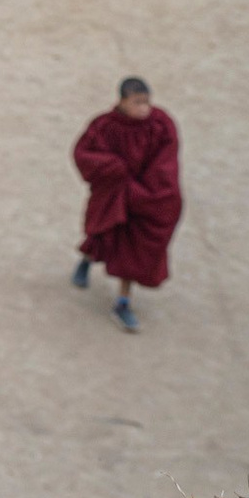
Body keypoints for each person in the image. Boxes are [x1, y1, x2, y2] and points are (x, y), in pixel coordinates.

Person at [71, 79, 183, 334]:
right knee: (101, 231)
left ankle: (123, 302)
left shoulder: (161, 124)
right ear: (122, 101)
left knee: (132, 252)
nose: (144, 108)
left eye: (146, 102)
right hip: (112, 194)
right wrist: (114, 170)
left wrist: (146, 192)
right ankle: (86, 259)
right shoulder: (104, 126)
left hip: (143, 198)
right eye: (137, 103)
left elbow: (166, 161)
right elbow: (83, 154)